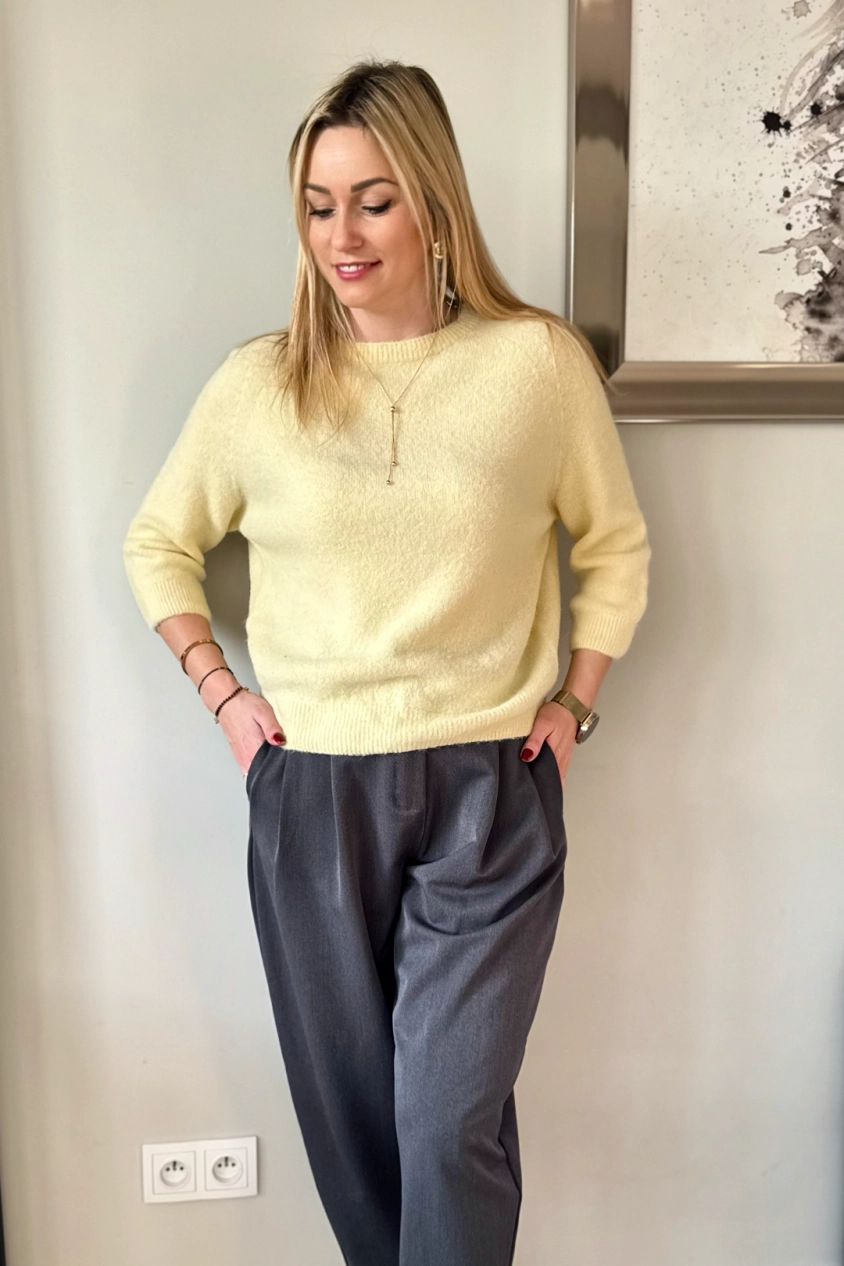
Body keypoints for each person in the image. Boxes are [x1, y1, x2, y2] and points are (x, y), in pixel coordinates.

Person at [123, 57, 650, 1266]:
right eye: (319, 205)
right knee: (355, 1129)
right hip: (312, 787)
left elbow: (615, 544)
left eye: (373, 200)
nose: (342, 237)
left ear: (434, 200)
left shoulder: (534, 365)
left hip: (489, 789)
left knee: (446, 1118)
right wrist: (222, 694)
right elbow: (158, 542)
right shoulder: (259, 385)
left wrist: (576, 701)